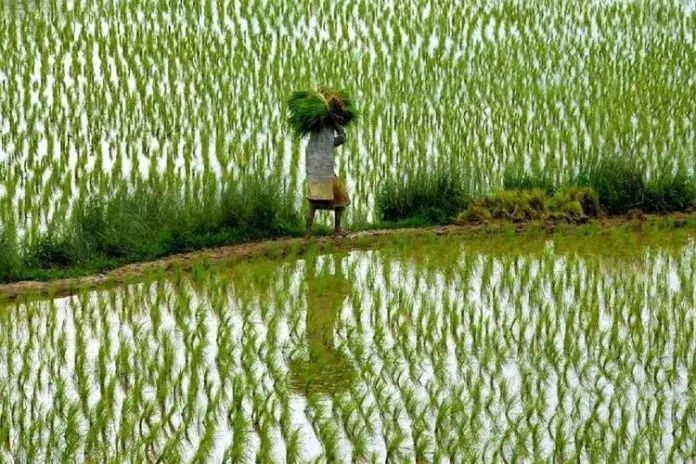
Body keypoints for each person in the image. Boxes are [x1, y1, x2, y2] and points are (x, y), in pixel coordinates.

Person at [305, 122, 350, 238]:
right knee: (341, 198)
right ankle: (337, 228)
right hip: (326, 172)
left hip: (313, 173)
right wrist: (336, 125)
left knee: (313, 204)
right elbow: (342, 139)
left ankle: (308, 234)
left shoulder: (312, 140)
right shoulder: (327, 140)